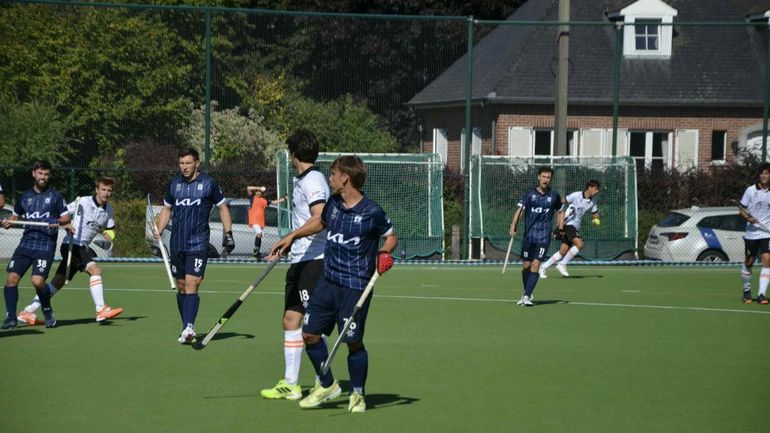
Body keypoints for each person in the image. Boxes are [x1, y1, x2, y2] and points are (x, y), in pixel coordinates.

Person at [269, 155, 397, 413]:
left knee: (352, 342)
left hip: (355, 285)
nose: (330, 178)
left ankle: (358, 394)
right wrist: (292, 236)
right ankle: (327, 385)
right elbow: (321, 222)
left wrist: (384, 253)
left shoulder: (372, 212)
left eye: (333, 174)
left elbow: (391, 236)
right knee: (309, 333)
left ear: (345, 178)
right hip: (328, 281)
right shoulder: (334, 204)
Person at [260, 129, 331, 400]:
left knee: (312, 324)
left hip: (315, 260)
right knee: (291, 319)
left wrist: (291, 236)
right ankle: (291, 384)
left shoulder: (313, 180)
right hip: (300, 259)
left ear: (293, 154)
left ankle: (323, 382)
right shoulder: (302, 179)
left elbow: (320, 217)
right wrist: (290, 243)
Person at [17, 177, 124, 325]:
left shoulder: (109, 210)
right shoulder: (83, 202)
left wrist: (110, 234)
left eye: (109, 190)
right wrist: (58, 220)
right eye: (103, 189)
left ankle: (27, 312)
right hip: (72, 244)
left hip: (82, 247)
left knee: (58, 281)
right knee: (95, 271)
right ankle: (101, 309)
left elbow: (111, 229)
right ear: (97, 190)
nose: (106, 193)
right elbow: (63, 213)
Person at [155, 148, 235, 343]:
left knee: (192, 284)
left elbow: (223, 207)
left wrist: (229, 233)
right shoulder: (174, 184)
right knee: (181, 287)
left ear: (197, 163)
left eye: (188, 163)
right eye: (182, 163)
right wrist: (159, 228)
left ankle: (190, 326)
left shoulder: (208, 184)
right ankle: (186, 328)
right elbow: (167, 209)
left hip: (198, 243)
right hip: (177, 243)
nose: (184, 167)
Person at [1, 160, 70, 329]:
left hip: (46, 244)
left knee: (37, 281)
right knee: (11, 278)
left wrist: (57, 221)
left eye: (46, 174)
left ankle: (47, 310)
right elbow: (15, 217)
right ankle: (11, 317)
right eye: (40, 174)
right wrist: (9, 222)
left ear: (49, 176)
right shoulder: (25, 197)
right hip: (26, 243)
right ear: (34, 174)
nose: (43, 177)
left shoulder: (55, 196)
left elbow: (66, 218)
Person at [508, 166, 563, 307]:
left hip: (544, 236)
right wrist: (513, 225)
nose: (546, 180)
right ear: (538, 177)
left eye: (548, 177)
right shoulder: (529, 194)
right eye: (543, 177)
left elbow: (561, 211)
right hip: (529, 236)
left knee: (536, 264)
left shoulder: (554, 196)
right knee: (526, 266)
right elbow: (520, 210)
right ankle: (527, 291)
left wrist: (559, 227)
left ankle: (526, 296)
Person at [539, 180, 601, 278]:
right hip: (568, 224)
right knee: (580, 244)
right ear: (589, 187)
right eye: (596, 188)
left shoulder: (593, 200)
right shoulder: (576, 195)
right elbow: (561, 202)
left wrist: (596, 219)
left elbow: (595, 212)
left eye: (598, 189)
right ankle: (562, 264)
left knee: (563, 251)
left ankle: (543, 267)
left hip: (576, 226)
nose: (597, 191)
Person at [739, 162, 770, 305]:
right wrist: (748, 219)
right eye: (762, 173)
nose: (764, 175)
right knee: (749, 262)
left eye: (767, 173)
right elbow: (742, 210)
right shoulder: (750, 190)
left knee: (767, 260)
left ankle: (762, 294)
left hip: (766, 233)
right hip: (752, 233)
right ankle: (746, 291)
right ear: (759, 175)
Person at [246, 185, 286, 259]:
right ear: (255, 192)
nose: (259, 193)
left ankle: (257, 252)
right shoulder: (253, 197)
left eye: (260, 192)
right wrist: (258, 188)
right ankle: (256, 252)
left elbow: (274, 202)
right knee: (259, 233)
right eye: (258, 192)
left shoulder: (263, 200)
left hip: (260, 221)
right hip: (253, 220)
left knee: (260, 235)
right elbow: (248, 188)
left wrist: (284, 199)